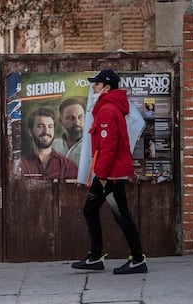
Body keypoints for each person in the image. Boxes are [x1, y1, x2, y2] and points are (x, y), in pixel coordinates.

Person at [71, 69, 147, 274]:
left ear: (107, 87)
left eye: (96, 84)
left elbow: (109, 146)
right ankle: (96, 257)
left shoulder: (107, 110)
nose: (93, 87)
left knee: (118, 214)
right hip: (111, 173)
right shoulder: (111, 107)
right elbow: (121, 142)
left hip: (109, 176)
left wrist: (102, 176)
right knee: (99, 211)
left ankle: (135, 259)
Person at [21, 107, 78, 180]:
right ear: (30, 131)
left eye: (50, 126)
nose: (46, 131)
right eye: (40, 126)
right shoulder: (22, 165)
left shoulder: (68, 166)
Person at [52, 98, 85, 167]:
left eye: (80, 117)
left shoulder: (92, 145)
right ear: (61, 121)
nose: (77, 122)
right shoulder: (52, 146)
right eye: (70, 118)